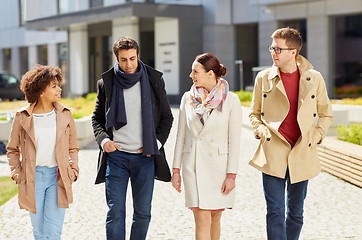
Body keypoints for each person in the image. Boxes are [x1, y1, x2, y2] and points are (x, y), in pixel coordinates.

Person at [249, 27, 334, 240]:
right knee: (275, 212)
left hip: (301, 152)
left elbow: (326, 114)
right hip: (273, 151)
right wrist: (261, 131)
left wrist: (315, 137)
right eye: (272, 48)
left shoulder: (314, 78)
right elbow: (254, 113)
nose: (273, 52)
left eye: (278, 48)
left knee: (296, 214)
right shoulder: (263, 78)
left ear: (293, 52)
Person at [92, 36, 173, 240]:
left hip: (145, 157)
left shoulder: (154, 80)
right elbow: (97, 119)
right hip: (116, 157)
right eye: (123, 59)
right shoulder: (107, 83)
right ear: (116, 59)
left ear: (138, 56)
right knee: (115, 213)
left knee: (143, 213)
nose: (128, 64)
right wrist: (104, 141)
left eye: (132, 58)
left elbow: (166, 117)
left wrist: (155, 143)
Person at [171, 53, 242, 240]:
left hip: (218, 170)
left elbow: (234, 141)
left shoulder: (231, 100)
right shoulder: (188, 98)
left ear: (210, 73)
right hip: (192, 167)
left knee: (215, 218)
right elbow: (180, 136)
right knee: (201, 218)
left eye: (195, 71)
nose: (191, 75)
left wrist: (231, 175)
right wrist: (176, 170)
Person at [6, 64, 80, 239]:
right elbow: (11, 149)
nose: (59, 89)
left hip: (58, 177)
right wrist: (17, 173)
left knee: (53, 232)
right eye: (53, 86)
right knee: (39, 232)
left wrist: (73, 170)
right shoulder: (22, 117)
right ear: (40, 91)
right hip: (33, 177)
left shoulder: (65, 115)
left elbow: (73, 147)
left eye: (58, 85)